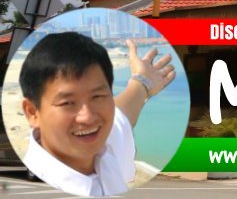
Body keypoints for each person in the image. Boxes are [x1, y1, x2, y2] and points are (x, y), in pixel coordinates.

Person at [19, 32, 177, 197]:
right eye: (67, 103)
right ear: (32, 112)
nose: (87, 117)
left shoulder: (104, 148)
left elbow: (122, 115)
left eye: (98, 96)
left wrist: (142, 81)